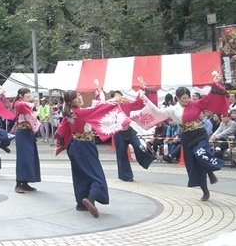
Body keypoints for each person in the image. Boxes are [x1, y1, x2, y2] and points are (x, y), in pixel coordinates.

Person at [141, 73, 228, 201]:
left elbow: (211, 97)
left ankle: (210, 172)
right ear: (177, 98)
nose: (187, 100)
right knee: (194, 164)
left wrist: (216, 83)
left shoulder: (196, 104)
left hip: (199, 134)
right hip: (186, 137)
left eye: (188, 97)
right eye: (184, 98)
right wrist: (147, 98)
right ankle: (205, 190)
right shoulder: (172, 110)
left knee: (201, 154)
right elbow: (158, 112)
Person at [54, 90, 136, 217]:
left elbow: (61, 130)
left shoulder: (69, 113)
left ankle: (81, 203)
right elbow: (99, 108)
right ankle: (90, 199)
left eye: (79, 95)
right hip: (85, 146)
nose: (79, 98)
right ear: (70, 101)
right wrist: (114, 101)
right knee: (97, 176)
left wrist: (64, 145)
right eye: (76, 98)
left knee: (80, 175)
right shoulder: (81, 112)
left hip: (74, 146)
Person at [107, 90, 156, 182]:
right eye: (116, 96)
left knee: (138, 146)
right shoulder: (110, 107)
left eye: (119, 96)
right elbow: (101, 105)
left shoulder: (126, 105)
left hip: (129, 130)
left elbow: (137, 104)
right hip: (118, 132)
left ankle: (146, 160)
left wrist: (140, 95)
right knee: (121, 154)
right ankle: (126, 176)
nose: (118, 98)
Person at [12, 87, 41, 194]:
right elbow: (32, 116)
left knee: (30, 157)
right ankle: (18, 183)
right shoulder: (20, 104)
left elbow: (32, 115)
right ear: (20, 95)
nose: (29, 94)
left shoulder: (27, 105)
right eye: (26, 93)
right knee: (23, 158)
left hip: (28, 133)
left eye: (29, 93)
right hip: (22, 133)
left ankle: (25, 182)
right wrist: (35, 110)